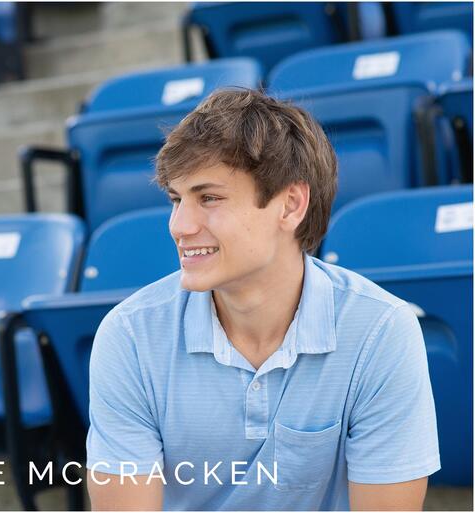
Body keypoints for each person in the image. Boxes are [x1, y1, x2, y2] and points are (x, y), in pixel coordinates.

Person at [85, 89, 440, 510]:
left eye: (209, 198)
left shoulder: (381, 332)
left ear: (290, 205)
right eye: (176, 200)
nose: (179, 226)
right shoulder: (129, 336)